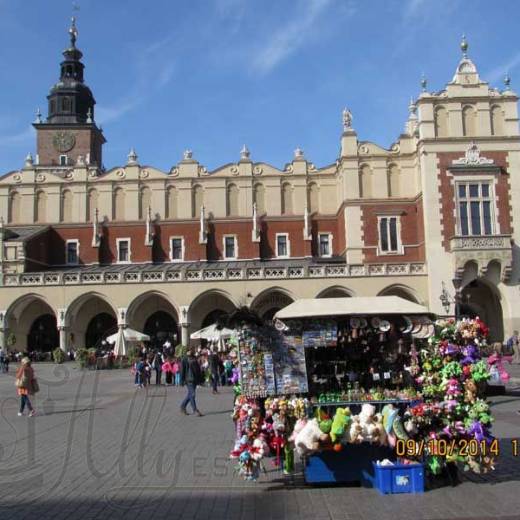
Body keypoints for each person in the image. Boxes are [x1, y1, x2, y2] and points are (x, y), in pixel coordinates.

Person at [180, 348, 203, 416]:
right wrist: (182, 380)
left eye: (191, 350)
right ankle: (195, 410)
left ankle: (182, 406)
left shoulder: (194, 358)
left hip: (195, 379)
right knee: (192, 394)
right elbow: (182, 370)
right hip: (188, 379)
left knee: (190, 395)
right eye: (188, 351)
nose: (190, 352)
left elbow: (198, 369)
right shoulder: (184, 359)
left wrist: (200, 379)